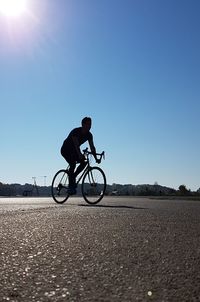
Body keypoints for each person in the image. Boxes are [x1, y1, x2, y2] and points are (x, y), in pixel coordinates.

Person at [61, 117, 100, 195]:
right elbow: (76, 144)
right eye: (88, 124)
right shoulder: (76, 131)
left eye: (90, 124)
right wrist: (79, 154)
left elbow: (92, 147)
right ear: (83, 124)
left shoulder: (89, 135)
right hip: (65, 149)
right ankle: (71, 186)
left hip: (74, 151)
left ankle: (73, 177)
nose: (89, 126)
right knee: (73, 164)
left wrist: (96, 158)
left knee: (84, 162)